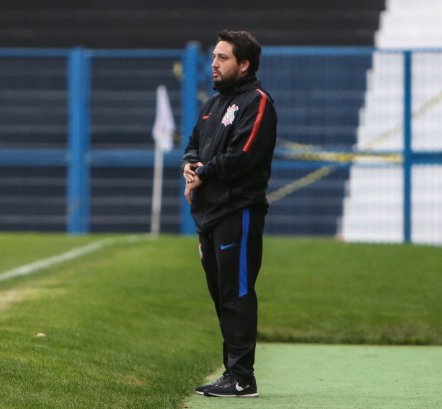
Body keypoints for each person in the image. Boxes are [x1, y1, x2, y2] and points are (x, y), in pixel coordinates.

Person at [181, 29, 277, 398]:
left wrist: (202, 173)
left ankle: (242, 378)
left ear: (244, 63)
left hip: (239, 211)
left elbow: (243, 156)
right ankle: (231, 373)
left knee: (236, 293)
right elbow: (194, 144)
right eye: (214, 57)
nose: (214, 64)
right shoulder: (211, 104)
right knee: (221, 294)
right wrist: (190, 165)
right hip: (209, 214)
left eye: (223, 58)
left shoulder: (258, 102)